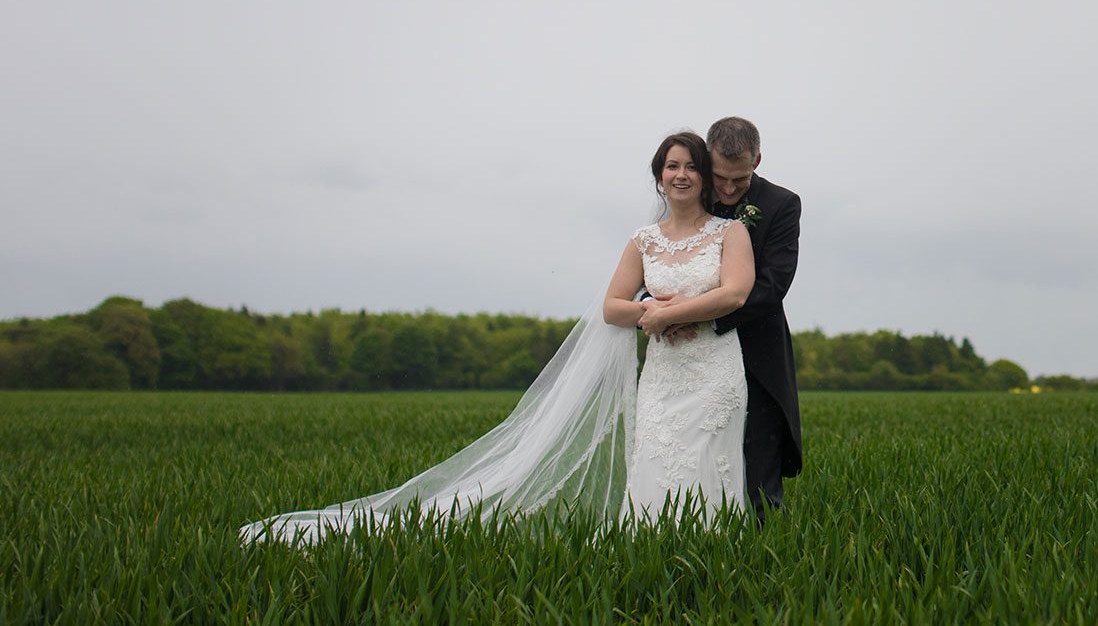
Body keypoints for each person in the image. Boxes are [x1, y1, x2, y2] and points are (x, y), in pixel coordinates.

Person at [238, 131, 754, 543]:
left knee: (713, 459)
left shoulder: (730, 233)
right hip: (664, 376)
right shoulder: (643, 241)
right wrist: (648, 311)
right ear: (659, 179)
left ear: (705, 178)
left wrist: (671, 314)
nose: (681, 174)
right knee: (660, 461)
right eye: (671, 166)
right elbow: (611, 307)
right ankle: (654, 550)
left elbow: (734, 294)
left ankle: (712, 553)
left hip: (713, 371)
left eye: (690, 166)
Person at [647, 116, 801, 520]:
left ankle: (766, 551)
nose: (729, 189)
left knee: (758, 462)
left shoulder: (783, 205)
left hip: (757, 350)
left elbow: (771, 287)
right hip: (685, 353)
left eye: (741, 179)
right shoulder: (691, 193)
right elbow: (663, 258)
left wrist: (696, 317)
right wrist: (656, 303)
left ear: (758, 160)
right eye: (721, 178)